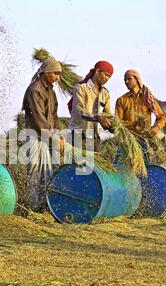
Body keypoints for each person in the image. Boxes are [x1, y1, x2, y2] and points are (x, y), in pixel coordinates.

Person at [22, 57, 63, 212]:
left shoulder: (50, 91)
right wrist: (54, 136)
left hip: (47, 137)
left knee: (47, 171)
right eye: (56, 74)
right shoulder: (35, 90)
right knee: (34, 172)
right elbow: (38, 119)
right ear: (46, 73)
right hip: (34, 136)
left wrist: (58, 134)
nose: (58, 78)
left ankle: (45, 206)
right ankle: (33, 208)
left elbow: (54, 115)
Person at [115, 70, 166, 162]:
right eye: (124, 80)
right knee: (122, 167)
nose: (126, 82)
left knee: (146, 169)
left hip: (144, 140)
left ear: (137, 79)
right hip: (127, 141)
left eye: (129, 79)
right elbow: (117, 123)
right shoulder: (121, 100)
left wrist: (156, 127)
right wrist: (132, 125)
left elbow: (161, 117)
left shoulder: (148, 98)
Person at [68, 61, 115, 153]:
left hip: (95, 137)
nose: (107, 78)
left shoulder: (105, 93)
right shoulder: (80, 87)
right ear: (97, 71)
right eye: (106, 75)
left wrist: (112, 126)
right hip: (78, 135)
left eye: (109, 77)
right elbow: (78, 110)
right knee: (77, 165)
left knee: (95, 166)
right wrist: (97, 118)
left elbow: (108, 114)